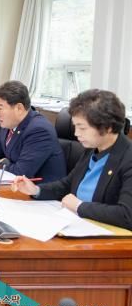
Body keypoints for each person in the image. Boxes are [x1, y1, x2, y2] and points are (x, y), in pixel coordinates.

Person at [12, 89, 132, 230]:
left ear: (108, 127)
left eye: (82, 128)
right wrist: (36, 190)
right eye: (75, 127)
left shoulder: (127, 157)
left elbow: (127, 215)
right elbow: (67, 185)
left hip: (109, 236)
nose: (76, 133)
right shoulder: (92, 149)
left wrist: (80, 206)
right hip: (77, 224)